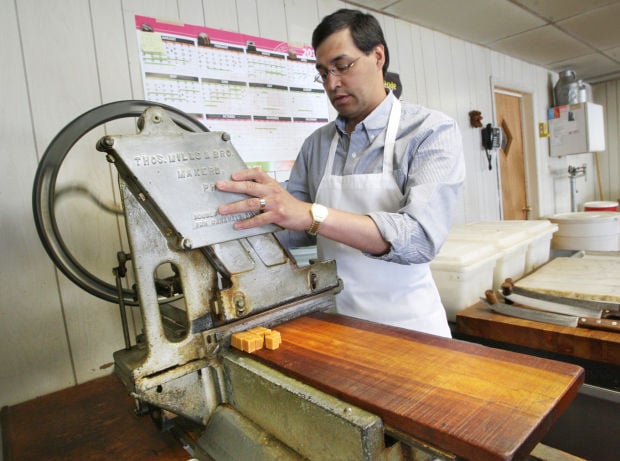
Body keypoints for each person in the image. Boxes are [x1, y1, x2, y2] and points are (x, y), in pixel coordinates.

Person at [216, 8, 465, 337]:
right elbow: (293, 228)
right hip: (339, 323)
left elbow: (419, 240)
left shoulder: (429, 131)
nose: (332, 84)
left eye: (343, 66)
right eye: (323, 73)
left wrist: (310, 214)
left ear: (377, 56)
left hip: (411, 328)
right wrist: (240, 215)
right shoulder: (317, 145)